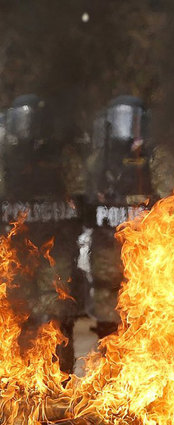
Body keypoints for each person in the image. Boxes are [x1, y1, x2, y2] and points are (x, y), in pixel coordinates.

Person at [1, 94, 84, 373]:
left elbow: (79, 198)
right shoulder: (6, 157)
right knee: (16, 312)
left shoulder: (62, 157)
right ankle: (20, 380)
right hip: (16, 248)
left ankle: (57, 377)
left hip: (54, 246)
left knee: (56, 312)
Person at [84, 95, 174, 339]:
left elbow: (169, 199)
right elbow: (84, 197)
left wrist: (134, 206)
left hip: (143, 251)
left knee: (142, 318)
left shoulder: (157, 157)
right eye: (120, 120)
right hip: (107, 250)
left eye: (132, 120)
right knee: (108, 324)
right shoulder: (99, 159)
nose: (125, 127)